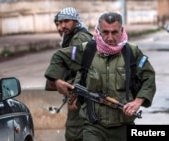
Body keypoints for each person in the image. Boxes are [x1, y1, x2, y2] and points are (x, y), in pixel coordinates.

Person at [45, 12, 156, 141]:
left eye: (114, 32)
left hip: (123, 125)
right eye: (105, 32)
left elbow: (149, 76)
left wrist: (138, 102)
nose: (110, 38)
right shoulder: (87, 50)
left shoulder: (132, 52)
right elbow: (59, 57)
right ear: (98, 30)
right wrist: (57, 80)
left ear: (122, 30)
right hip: (93, 126)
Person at [47, 7, 93, 141]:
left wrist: (74, 93)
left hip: (81, 95)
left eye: (65, 22)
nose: (61, 27)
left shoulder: (79, 38)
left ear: (75, 21)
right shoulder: (71, 37)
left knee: (75, 132)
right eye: (58, 24)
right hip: (79, 93)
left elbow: (84, 68)